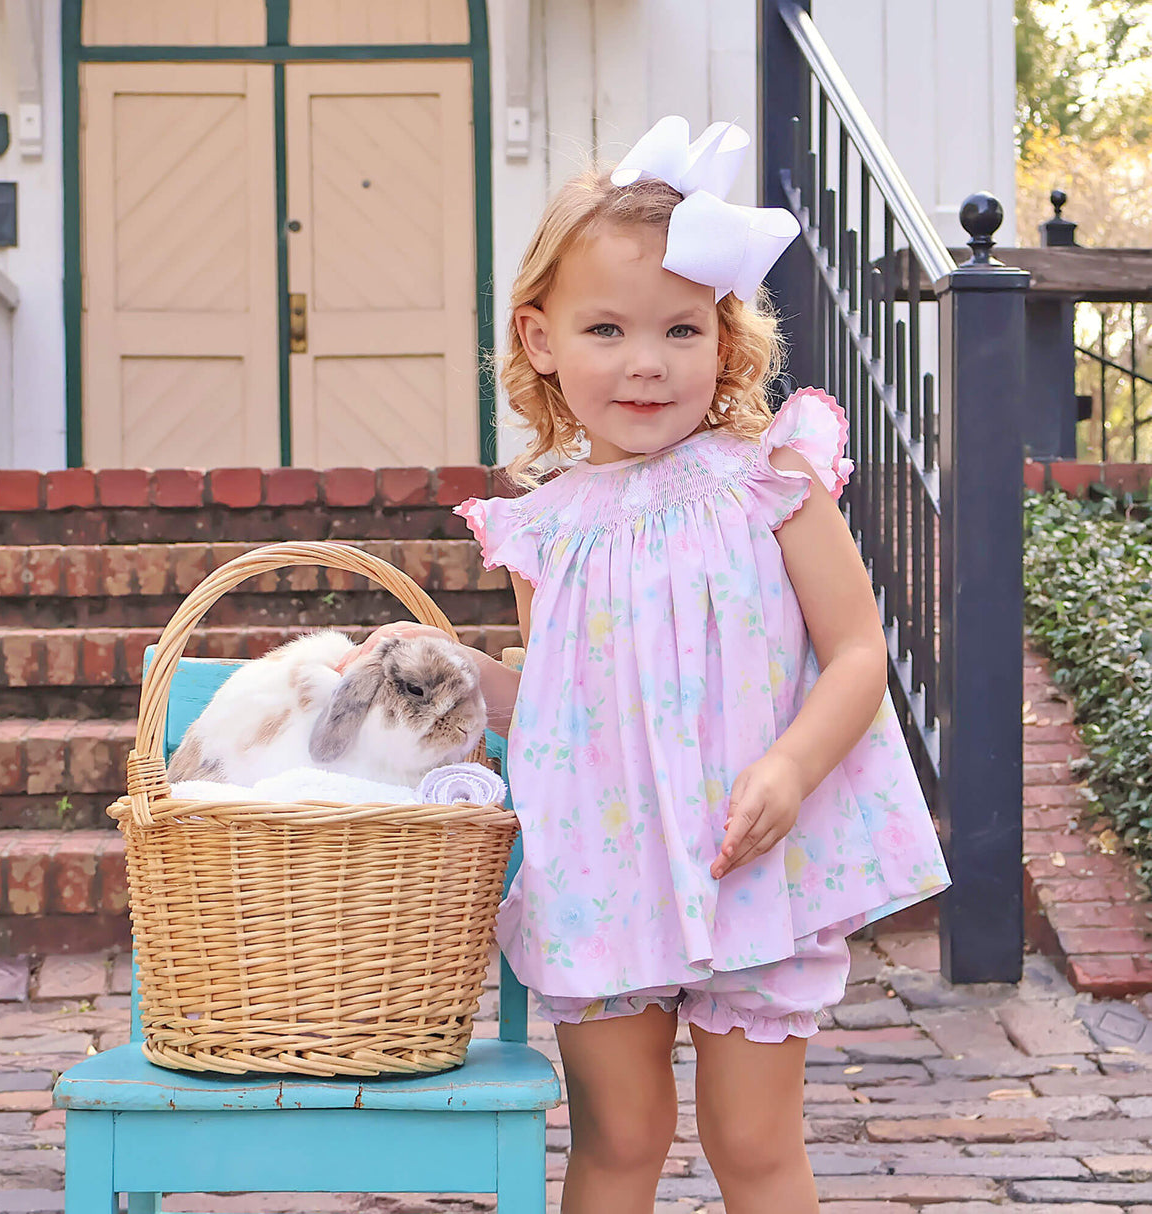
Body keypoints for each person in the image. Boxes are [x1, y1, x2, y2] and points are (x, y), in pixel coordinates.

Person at [354, 117, 951, 1214]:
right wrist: (453, 673)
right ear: (540, 340)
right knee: (616, 1140)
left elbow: (857, 649)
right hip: (603, 873)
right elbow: (559, 697)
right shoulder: (541, 529)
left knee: (752, 1139)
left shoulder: (772, 482)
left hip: (747, 859)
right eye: (606, 328)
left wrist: (790, 764)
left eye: (680, 329)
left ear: (722, 340)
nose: (645, 361)